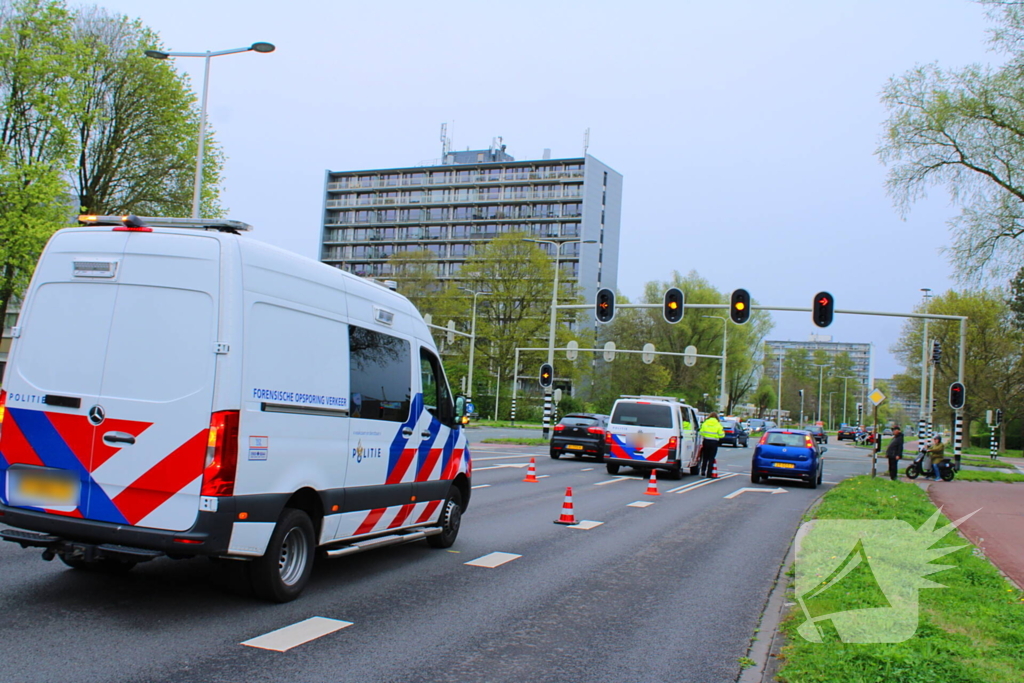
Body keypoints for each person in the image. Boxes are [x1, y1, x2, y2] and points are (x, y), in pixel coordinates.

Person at [698, 411, 725, 477]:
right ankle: (709, 473)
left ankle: (703, 470)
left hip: (706, 441)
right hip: (714, 442)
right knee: (711, 458)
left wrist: (706, 435)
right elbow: (721, 435)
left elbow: (701, 432)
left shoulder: (705, 423)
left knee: (705, 457)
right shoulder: (718, 425)